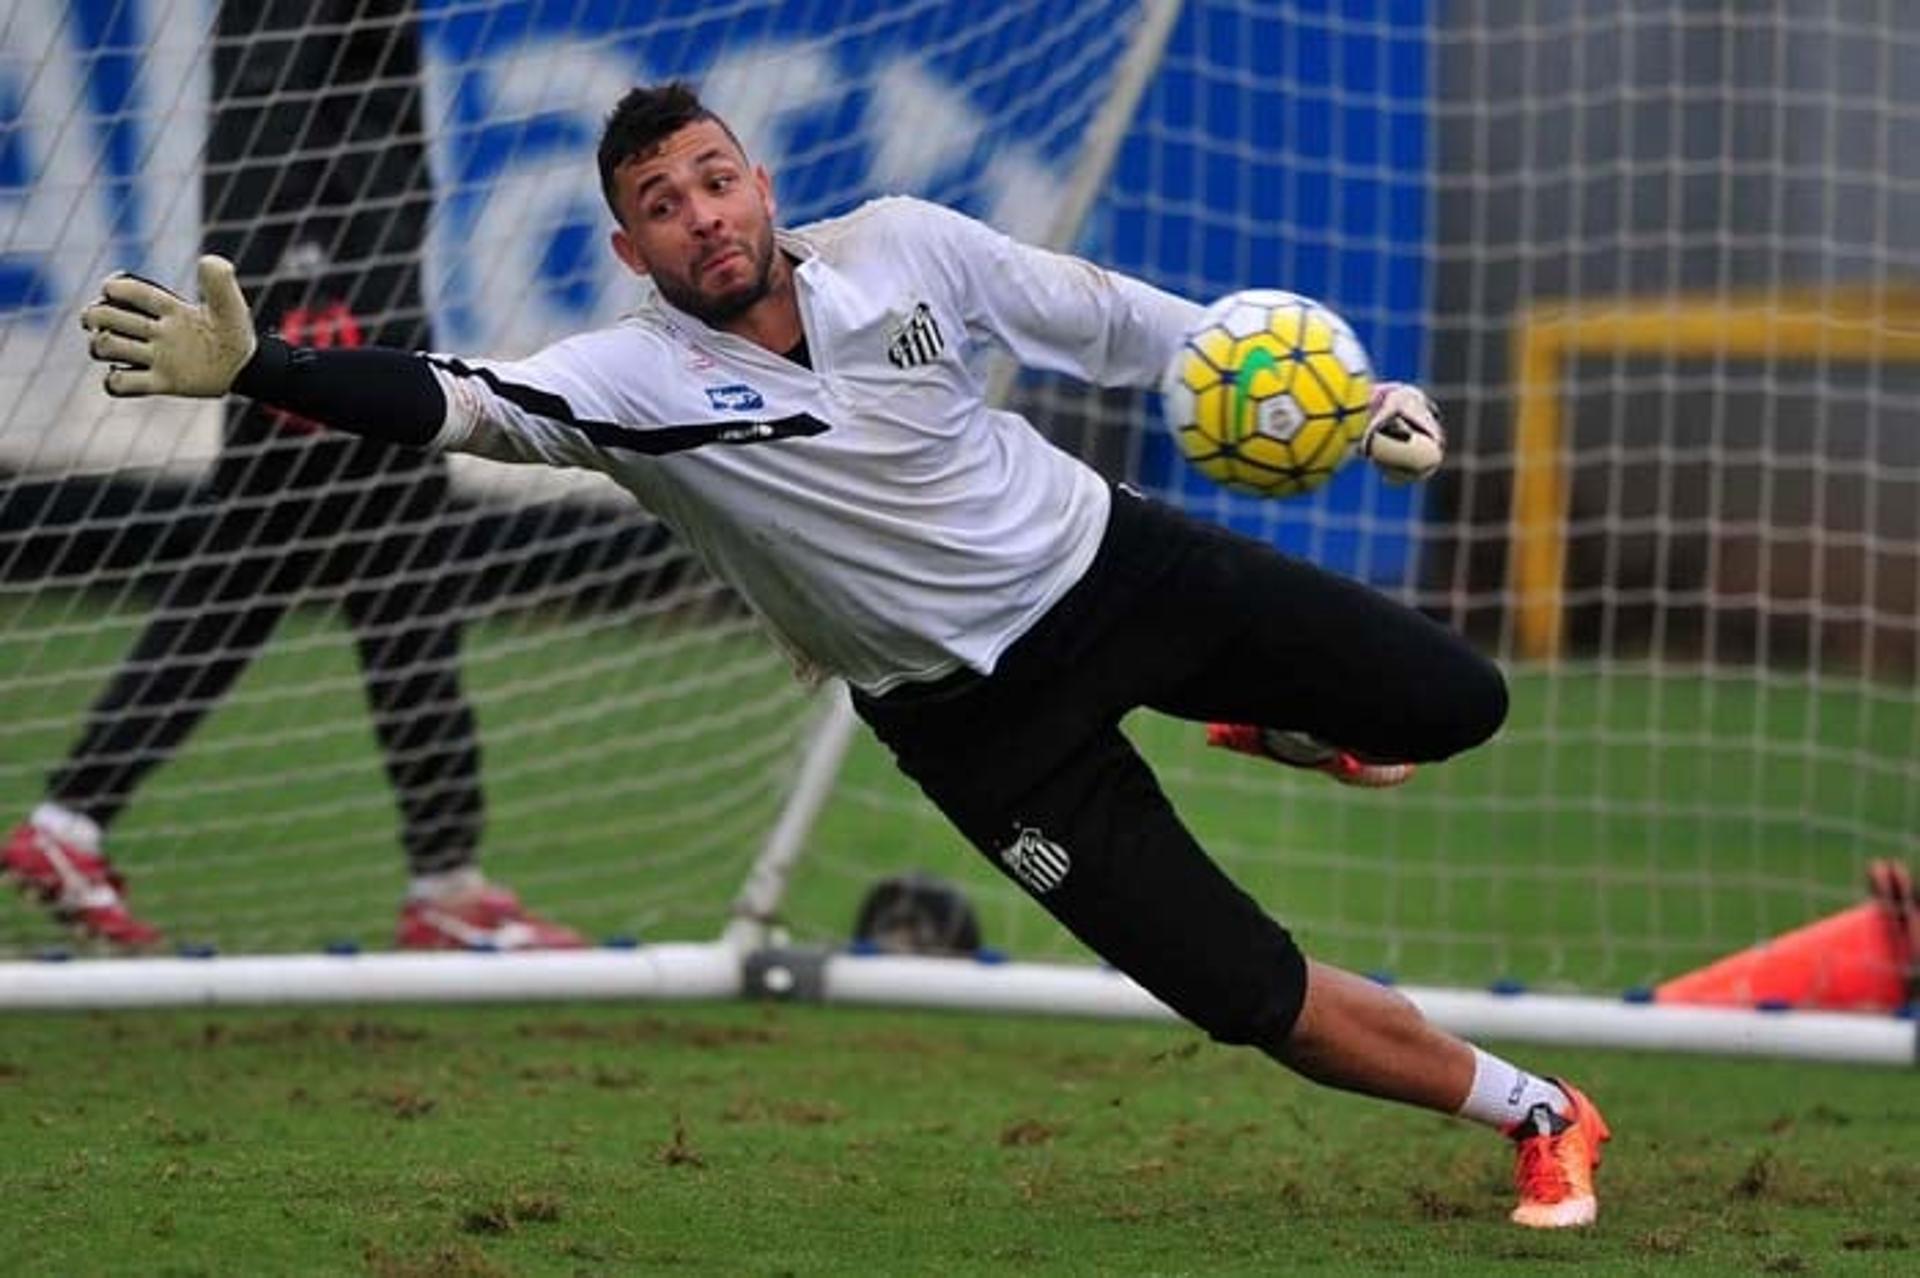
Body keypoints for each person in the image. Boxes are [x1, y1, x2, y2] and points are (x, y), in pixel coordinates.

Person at [74, 80, 1610, 1227]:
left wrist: (1347, 399)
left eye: (717, 179)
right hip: (974, 727)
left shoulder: (908, 250)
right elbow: (453, 396)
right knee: (1237, 989)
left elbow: (1145, 332)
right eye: (664, 205)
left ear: (759, 178)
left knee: (1452, 701)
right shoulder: (624, 379)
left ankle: (1272, 718)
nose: (704, 216)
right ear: (629, 245)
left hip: (1114, 568)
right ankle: (1539, 1106)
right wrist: (263, 365)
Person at [2, 1, 582, 953]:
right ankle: (441, 880)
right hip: (329, 324)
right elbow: (272, 136)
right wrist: (303, 316)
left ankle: (74, 823)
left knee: (291, 577)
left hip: (339, 309)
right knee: (375, 577)